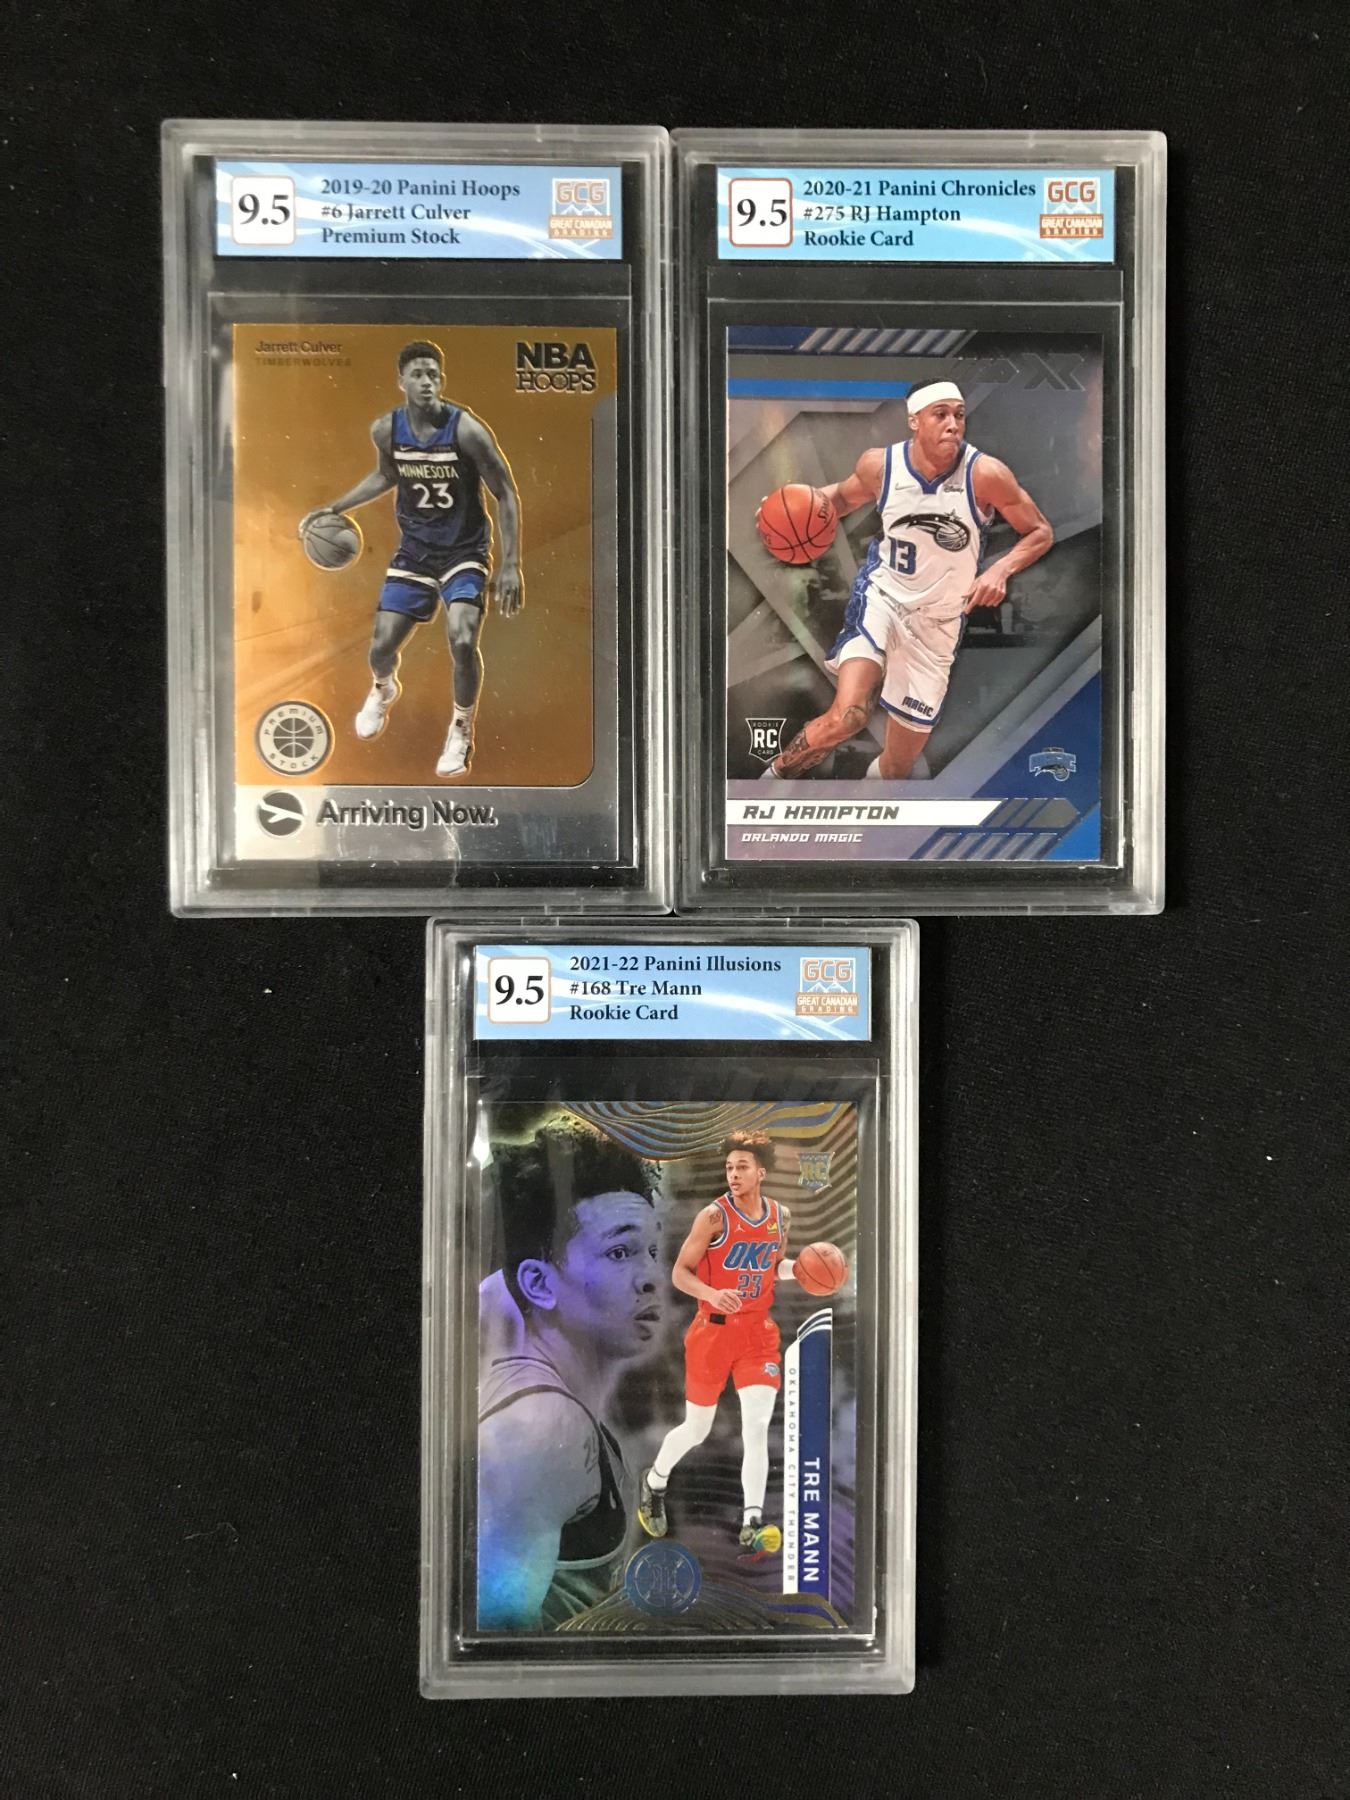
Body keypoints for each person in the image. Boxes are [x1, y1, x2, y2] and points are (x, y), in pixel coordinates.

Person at [762, 379, 1054, 781]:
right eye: (941, 414)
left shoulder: (985, 474)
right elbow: (840, 498)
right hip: (883, 600)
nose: (953, 424)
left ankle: (870, 808)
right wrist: (785, 507)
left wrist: (1000, 569)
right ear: (914, 420)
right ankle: (772, 778)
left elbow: (1039, 531)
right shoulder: (881, 466)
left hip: (938, 624)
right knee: (849, 716)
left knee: (898, 766)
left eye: (959, 415)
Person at [298, 339, 522, 778]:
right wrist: (335, 508)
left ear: (442, 381)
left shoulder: (466, 431)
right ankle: (384, 689)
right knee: (381, 647)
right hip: (416, 551)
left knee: (462, 639)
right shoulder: (386, 430)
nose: (426, 382)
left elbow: (506, 492)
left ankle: (461, 728)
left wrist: (511, 563)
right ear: (401, 381)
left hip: (463, 550)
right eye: (417, 374)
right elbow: (387, 474)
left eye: (433, 375)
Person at [476, 1119, 662, 1631]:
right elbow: (497, 1646)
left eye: (652, 1251)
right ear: (539, 1284)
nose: (651, 1277)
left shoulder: (558, 1407)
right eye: (620, 1252)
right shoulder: (543, 1427)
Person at [638, 1131, 794, 1549]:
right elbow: (679, 1273)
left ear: (761, 1172)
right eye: (729, 1167)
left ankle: (752, 1522)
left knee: (756, 1427)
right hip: (713, 1330)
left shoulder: (780, 1217)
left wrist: (803, 1270)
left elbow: (774, 1267)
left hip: (757, 1333)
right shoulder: (713, 1217)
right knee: (697, 1429)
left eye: (742, 1167)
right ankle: (654, 1482)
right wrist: (711, 1293)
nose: (733, 1174)